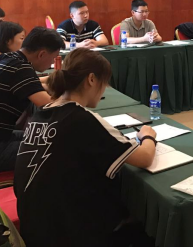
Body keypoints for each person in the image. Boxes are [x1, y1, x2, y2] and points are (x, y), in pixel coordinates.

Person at [14, 48, 157, 247]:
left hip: (33, 228)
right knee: (144, 227)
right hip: (69, 234)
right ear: (91, 79)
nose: (104, 89)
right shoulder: (82, 119)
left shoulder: (41, 114)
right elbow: (145, 158)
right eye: (104, 83)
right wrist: (148, 136)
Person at [0, 27, 64, 174]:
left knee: (36, 135)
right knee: (59, 146)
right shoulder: (21, 69)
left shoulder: (3, 58)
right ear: (42, 54)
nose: (52, 63)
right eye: (53, 58)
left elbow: (32, 84)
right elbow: (51, 106)